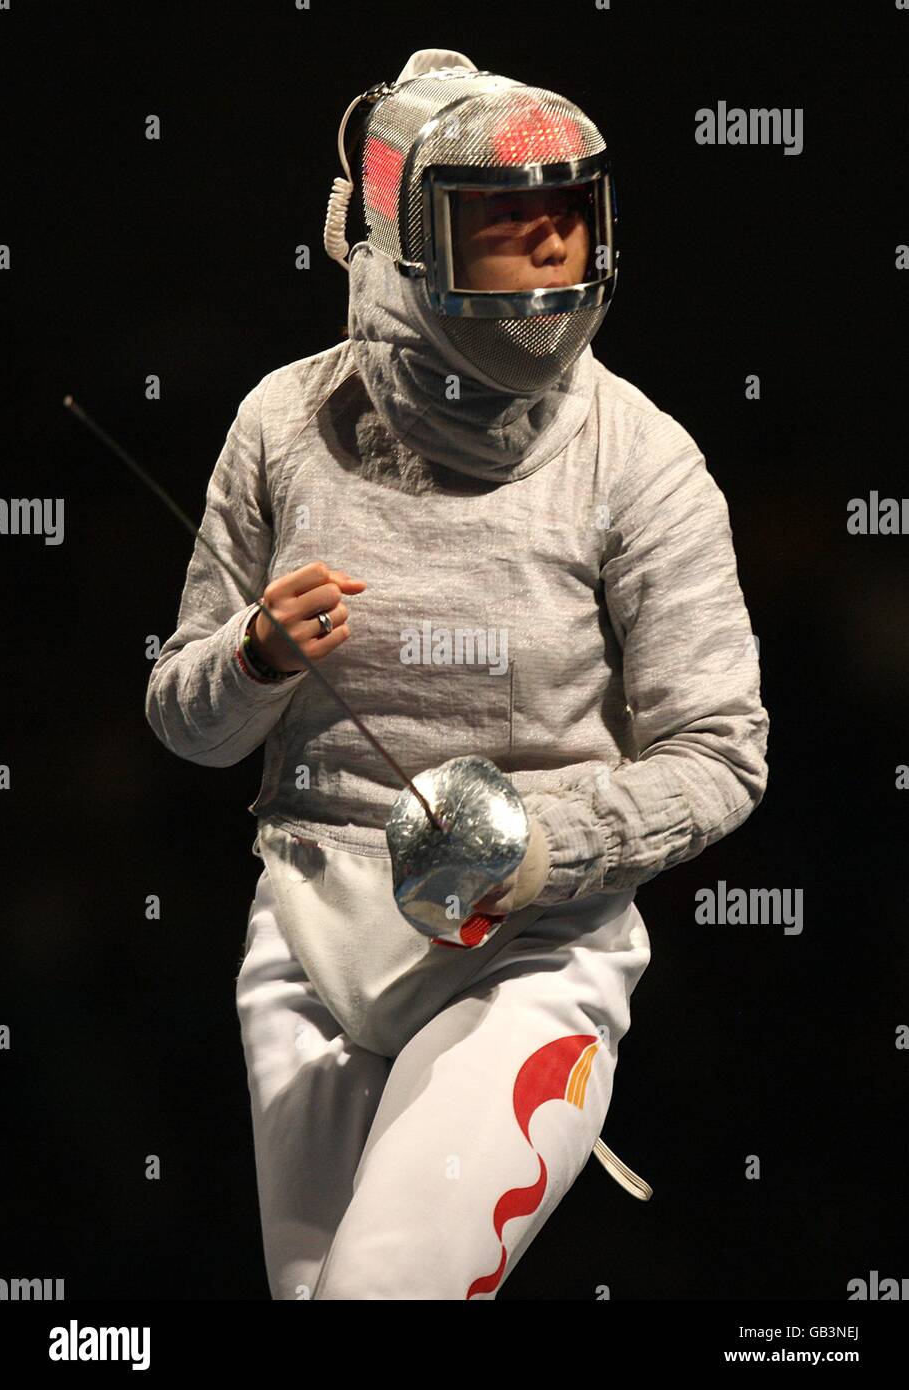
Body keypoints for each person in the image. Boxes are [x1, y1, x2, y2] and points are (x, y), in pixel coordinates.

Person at [144, 48, 769, 1300]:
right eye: (503, 215)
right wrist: (254, 657)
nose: (549, 243)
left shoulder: (637, 458)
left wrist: (539, 845)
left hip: (528, 948)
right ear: (410, 238)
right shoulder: (284, 425)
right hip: (312, 933)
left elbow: (719, 752)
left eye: (567, 211)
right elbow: (186, 722)